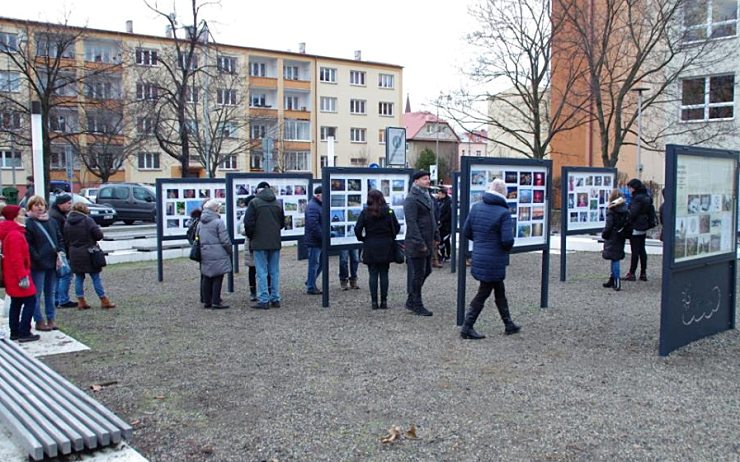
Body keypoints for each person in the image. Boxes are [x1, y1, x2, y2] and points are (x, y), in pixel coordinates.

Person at [460, 178, 520, 339]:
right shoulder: (503, 213)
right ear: (503, 193)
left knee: (499, 289)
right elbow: (507, 241)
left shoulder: (476, 207)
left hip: (480, 256)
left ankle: (508, 324)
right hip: (494, 259)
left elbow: (466, 231)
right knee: (484, 292)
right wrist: (503, 248)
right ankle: (467, 327)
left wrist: (482, 242)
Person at [64, 202, 116, 310]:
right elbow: (98, 235)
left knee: (79, 277)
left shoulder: (67, 222)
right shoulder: (88, 220)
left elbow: (66, 238)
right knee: (95, 277)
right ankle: (103, 300)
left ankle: (81, 301)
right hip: (89, 252)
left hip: (74, 252)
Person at [354, 189, 400, 309]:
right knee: (384, 273)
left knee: (373, 273)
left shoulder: (365, 212)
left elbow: (357, 229)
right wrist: (391, 236)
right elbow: (397, 227)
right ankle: (384, 302)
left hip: (371, 244)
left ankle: (374, 302)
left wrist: (362, 239)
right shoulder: (389, 211)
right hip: (386, 244)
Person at [0, 206, 40, 342]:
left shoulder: (10, 232)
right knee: (30, 301)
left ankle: (15, 331)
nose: (24, 216)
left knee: (16, 303)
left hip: (12, 274)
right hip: (19, 274)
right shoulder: (15, 234)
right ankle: (24, 331)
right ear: (15, 216)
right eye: (21, 214)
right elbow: (17, 258)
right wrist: (22, 276)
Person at [403, 170, 439, 316]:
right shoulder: (412, 199)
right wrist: (420, 243)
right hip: (417, 243)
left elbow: (432, 218)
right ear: (416, 181)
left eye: (428, 178)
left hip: (427, 241)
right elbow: (411, 223)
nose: (428, 181)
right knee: (418, 273)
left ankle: (411, 299)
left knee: (427, 271)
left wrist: (436, 235)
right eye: (425, 179)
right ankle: (416, 304)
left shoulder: (427, 197)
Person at [25, 196, 63, 331]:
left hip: (52, 262)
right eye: (36, 205)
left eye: (41, 204)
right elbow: (29, 244)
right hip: (38, 264)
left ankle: (51, 319)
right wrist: (37, 257)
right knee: (37, 293)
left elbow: (59, 238)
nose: (39, 207)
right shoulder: (29, 223)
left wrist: (60, 252)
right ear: (30, 207)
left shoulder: (52, 221)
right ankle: (39, 320)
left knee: (50, 292)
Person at [245, 182, 284, 309]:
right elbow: (282, 223)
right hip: (274, 241)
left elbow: (248, 223)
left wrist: (252, 236)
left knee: (261, 271)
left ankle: (263, 300)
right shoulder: (277, 203)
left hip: (259, 242)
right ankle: (275, 298)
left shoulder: (254, 203)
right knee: (274, 271)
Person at [197, 200, 232, 309]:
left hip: (205, 252)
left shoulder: (200, 222)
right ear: (215, 209)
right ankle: (216, 301)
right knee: (218, 277)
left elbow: (197, 237)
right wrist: (229, 250)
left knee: (207, 276)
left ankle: (207, 301)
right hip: (218, 252)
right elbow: (224, 239)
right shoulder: (218, 222)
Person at [50, 193, 77, 308]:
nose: (70, 205)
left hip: (59, 249)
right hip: (61, 250)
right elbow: (59, 235)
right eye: (68, 203)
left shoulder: (56, 215)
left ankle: (57, 299)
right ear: (61, 204)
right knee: (65, 274)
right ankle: (62, 299)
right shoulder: (57, 217)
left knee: (58, 275)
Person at [601, 190, 630, 291]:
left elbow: (609, 225)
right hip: (621, 234)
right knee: (615, 257)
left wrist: (604, 234)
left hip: (612, 235)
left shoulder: (611, 210)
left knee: (615, 259)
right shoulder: (625, 209)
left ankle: (617, 281)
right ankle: (612, 279)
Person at [624, 178, 651, 281]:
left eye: (630, 188)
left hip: (636, 226)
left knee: (635, 250)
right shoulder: (646, 197)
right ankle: (643, 272)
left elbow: (633, 213)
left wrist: (627, 221)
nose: (629, 190)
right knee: (642, 249)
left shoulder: (637, 198)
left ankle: (632, 272)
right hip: (644, 225)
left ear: (633, 188)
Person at [304, 185, 323, 295]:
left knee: (320, 263)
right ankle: (311, 286)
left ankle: (310, 281)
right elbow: (313, 225)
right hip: (314, 241)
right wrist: (323, 237)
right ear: (318, 195)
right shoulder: (313, 206)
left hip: (317, 240)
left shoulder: (317, 205)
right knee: (314, 264)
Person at [436, 187, 452, 262]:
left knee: (446, 240)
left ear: (444, 194)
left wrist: (441, 220)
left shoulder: (449, 202)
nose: (438, 195)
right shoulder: (438, 201)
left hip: (446, 225)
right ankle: (442, 255)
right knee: (441, 240)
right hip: (440, 225)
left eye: (439, 194)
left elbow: (449, 214)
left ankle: (448, 255)